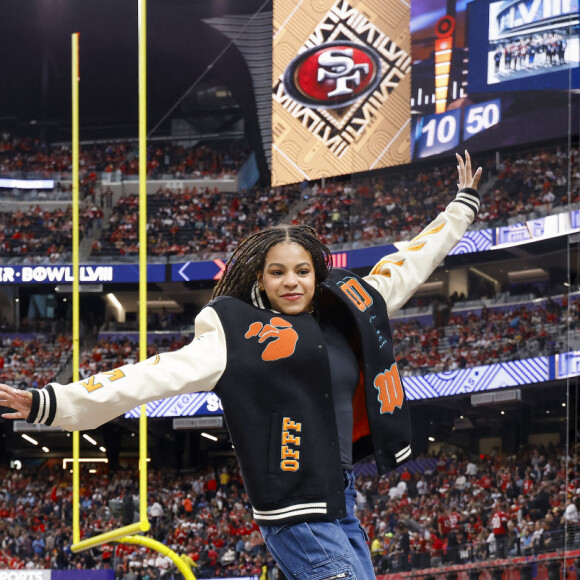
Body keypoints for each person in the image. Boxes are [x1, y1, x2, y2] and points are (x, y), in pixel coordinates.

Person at [0, 152, 482, 580]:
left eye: (301, 271)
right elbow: (149, 375)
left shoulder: (347, 310)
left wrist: (460, 206)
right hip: (294, 510)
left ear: (318, 273)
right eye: (277, 272)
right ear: (260, 278)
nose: (291, 282)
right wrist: (53, 402)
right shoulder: (235, 334)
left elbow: (410, 264)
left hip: (340, 498)